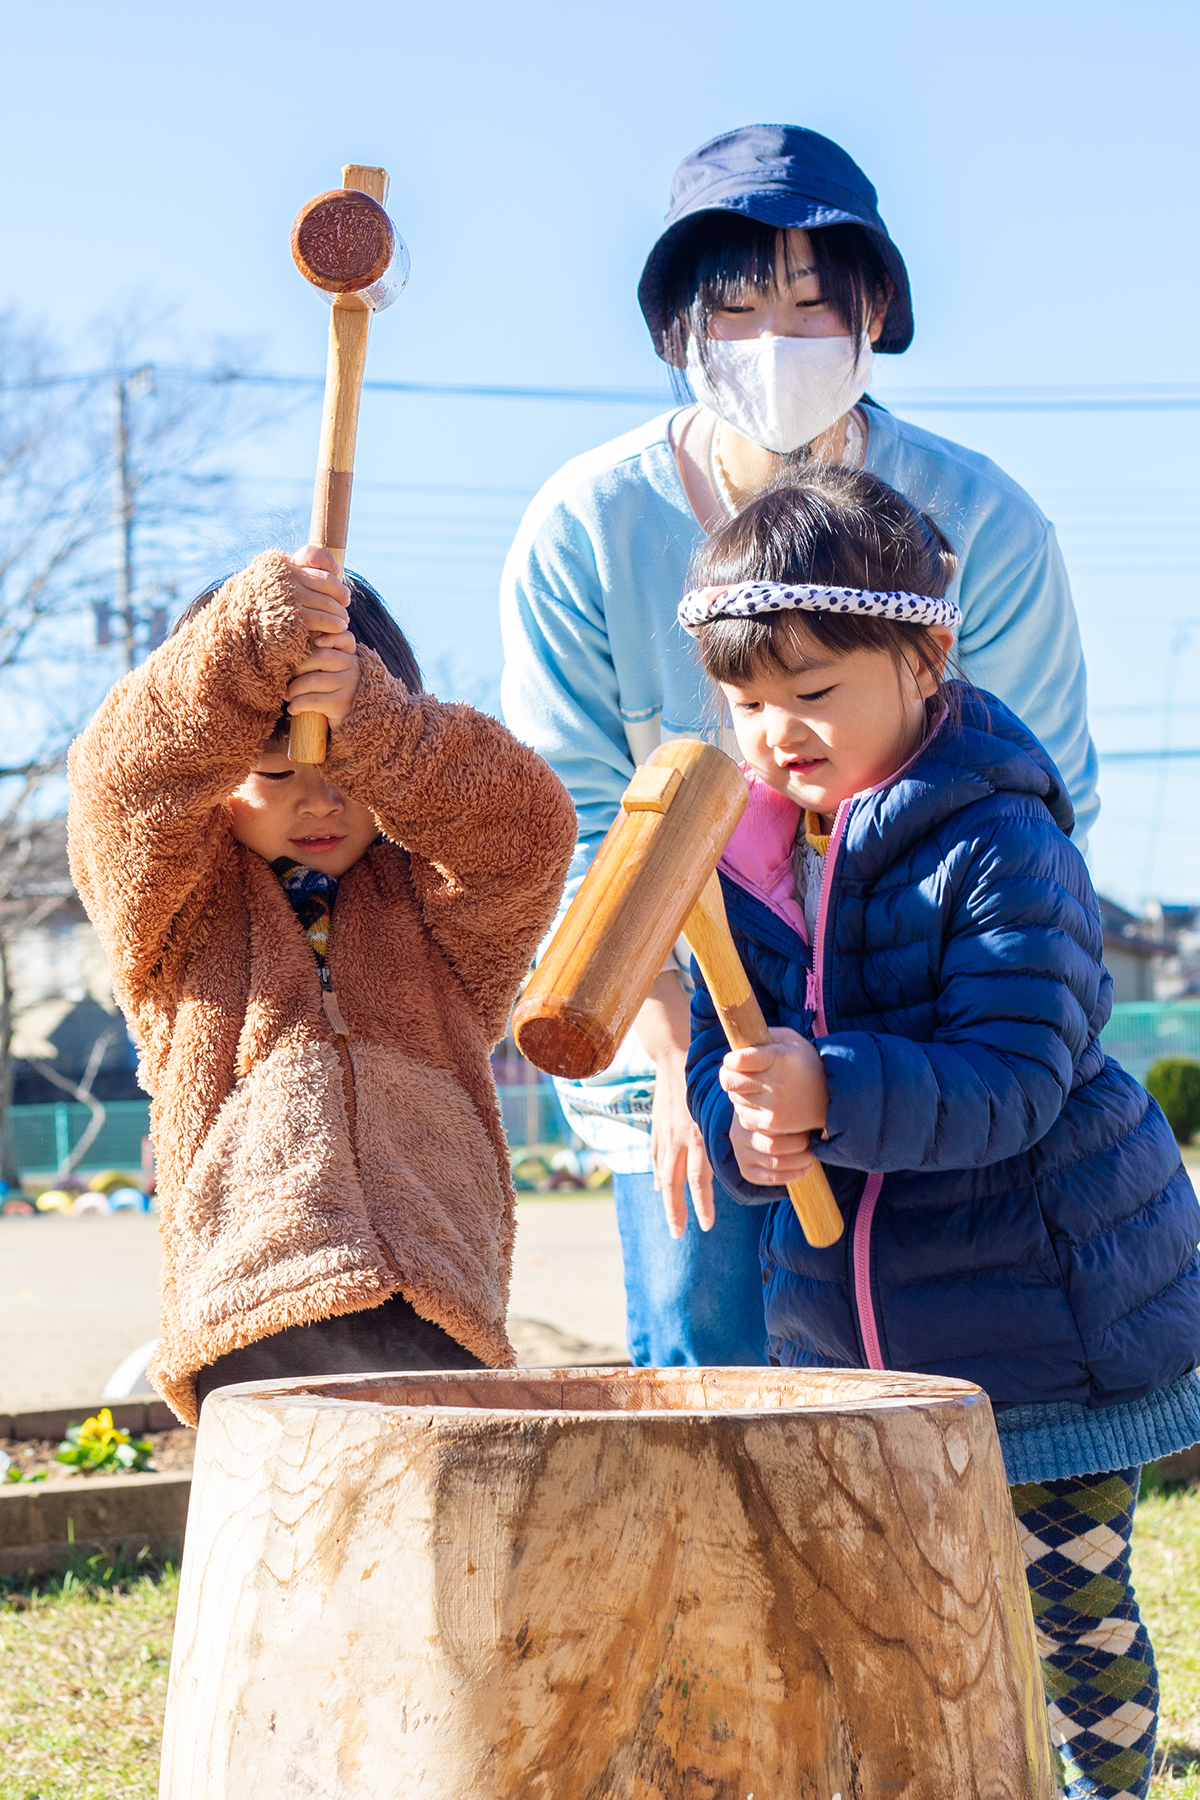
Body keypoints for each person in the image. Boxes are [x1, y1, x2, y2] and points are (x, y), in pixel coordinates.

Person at [501, 121, 1099, 1370]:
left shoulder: (983, 516)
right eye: (737, 306)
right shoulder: (584, 530)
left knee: (936, 1394)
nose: (778, 337)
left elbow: (1048, 803)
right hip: (687, 1054)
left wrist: (869, 1065)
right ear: (679, 328)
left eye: (817, 300)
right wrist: (682, 1061)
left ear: (876, 309)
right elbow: (580, 834)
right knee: (707, 1389)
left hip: (917, 1055)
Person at [681, 468, 1200, 1800]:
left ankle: (1106, 1790)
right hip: (851, 1344)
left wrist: (831, 1090)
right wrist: (745, 1134)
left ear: (926, 657)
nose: (777, 732)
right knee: (890, 1624)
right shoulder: (737, 861)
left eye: (813, 693)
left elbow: (1016, 1073)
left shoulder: (1000, 843)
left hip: (1038, 1325)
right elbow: (719, 1061)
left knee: (1066, 1611)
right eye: (745, 703)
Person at [68, 546, 575, 1424]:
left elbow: (529, 830)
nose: (318, 802)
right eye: (273, 771)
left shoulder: (443, 908)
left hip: (438, 1291)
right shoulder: (176, 913)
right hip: (252, 1297)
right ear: (220, 764)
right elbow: (123, 782)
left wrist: (374, 721)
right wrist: (248, 635)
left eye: (345, 769)